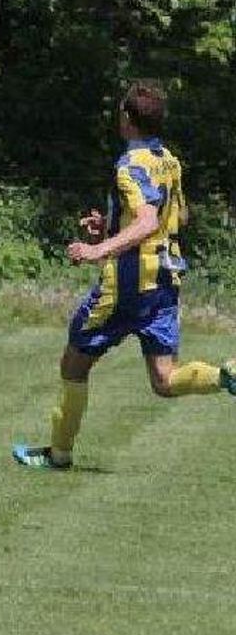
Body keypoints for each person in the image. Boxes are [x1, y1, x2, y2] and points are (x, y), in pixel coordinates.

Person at [12, 80, 234, 470]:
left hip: (129, 281)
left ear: (127, 119)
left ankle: (59, 453)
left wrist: (98, 248)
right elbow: (179, 216)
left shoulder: (129, 166)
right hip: (166, 277)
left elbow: (148, 220)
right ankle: (225, 375)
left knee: (74, 363)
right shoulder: (169, 159)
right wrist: (113, 225)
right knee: (164, 380)